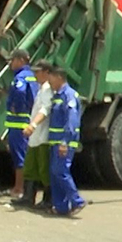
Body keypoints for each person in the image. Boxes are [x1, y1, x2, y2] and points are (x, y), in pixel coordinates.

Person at [41, 62, 86, 216]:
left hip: (64, 143)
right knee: (54, 173)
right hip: (55, 142)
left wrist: (64, 142)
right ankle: (60, 207)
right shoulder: (57, 96)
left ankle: (77, 201)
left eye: (51, 78)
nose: (49, 82)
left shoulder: (69, 95)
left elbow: (71, 122)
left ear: (59, 77)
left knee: (61, 171)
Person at [21, 59, 55, 209]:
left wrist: (33, 125)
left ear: (47, 73)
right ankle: (28, 197)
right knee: (30, 167)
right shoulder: (41, 88)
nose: (35, 75)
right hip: (35, 137)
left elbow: (45, 110)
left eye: (38, 72)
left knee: (43, 169)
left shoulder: (48, 90)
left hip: (43, 136)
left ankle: (48, 200)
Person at [3, 49, 37, 201]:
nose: (11, 63)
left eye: (13, 60)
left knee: (19, 156)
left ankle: (19, 188)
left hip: (18, 124)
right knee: (22, 155)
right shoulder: (31, 76)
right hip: (25, 121)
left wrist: (16, 106)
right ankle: (21, 188)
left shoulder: (21, 77)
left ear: (21, 60)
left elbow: (20, 91)